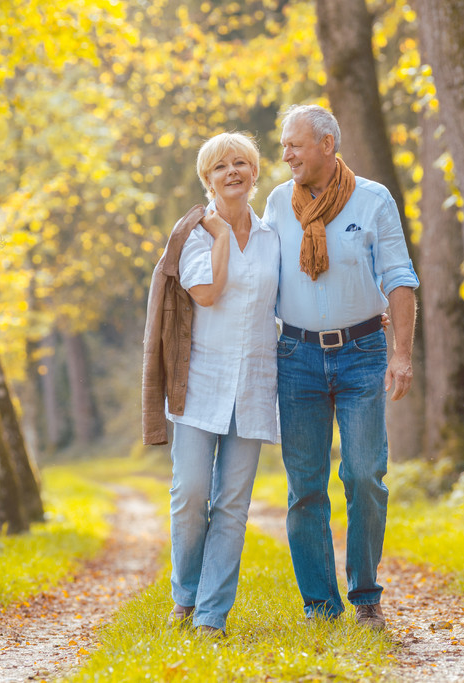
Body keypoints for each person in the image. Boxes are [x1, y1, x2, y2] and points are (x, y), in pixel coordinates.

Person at [262, 104, 418, 631]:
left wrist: (401, 353)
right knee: (305, 484)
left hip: (362, 352)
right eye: (283, 145)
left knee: (365, 474)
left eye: (295, 145)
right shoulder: (277, 204)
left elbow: (398, 276)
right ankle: (319, 606)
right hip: (296, 357)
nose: (286, 154)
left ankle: (366, 595)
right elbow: (258, 271)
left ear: (327, 145)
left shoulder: (373, 199)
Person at [142, 132, 280, 636]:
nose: (233, 172)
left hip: (255, 385)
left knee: (232, 504)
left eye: (241, 162)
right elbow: (208, 292)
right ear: (207, 179)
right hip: (200, 384)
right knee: (190, 492)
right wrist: (222, 236)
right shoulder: (194, 235)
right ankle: (185, 594)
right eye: (221, 167)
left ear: (256, 171)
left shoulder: (273, 236)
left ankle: (211, 615)